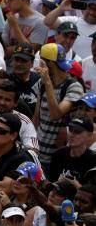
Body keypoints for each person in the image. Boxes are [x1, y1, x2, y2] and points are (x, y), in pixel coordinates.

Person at [34, 43, 85, 171]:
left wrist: (48, 83)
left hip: (56, 157)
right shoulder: (42, 82)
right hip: (37, 153)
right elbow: (36, 117)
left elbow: (56, 114)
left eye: (41, 60)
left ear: (49, 64)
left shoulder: (74, 87)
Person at [48, 115, 96, 183]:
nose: (71, 135)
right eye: (70, 130)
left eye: (77, 132)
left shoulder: (93, 162)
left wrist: (75, 185)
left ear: (89, 136)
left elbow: (91, 192)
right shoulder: (59, 155)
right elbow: (51, 181)